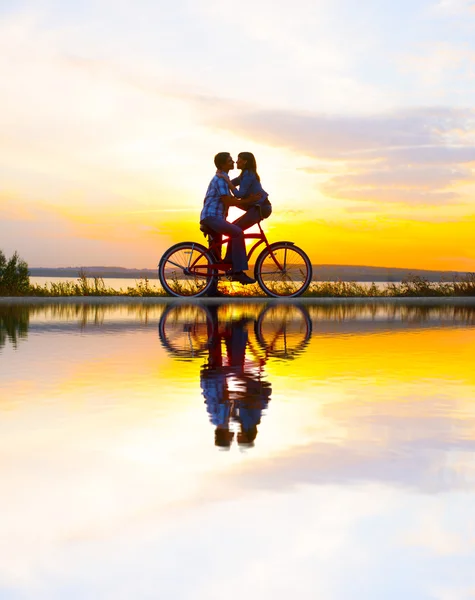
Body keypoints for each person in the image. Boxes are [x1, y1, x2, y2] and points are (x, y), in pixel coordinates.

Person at [200, 152, 258, 285]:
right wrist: (249, 201)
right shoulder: (220, 179)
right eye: (230, 160)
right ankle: (238, 272)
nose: (233, 162)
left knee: (215, 255)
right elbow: (228, 201)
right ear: (222, 164)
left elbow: (231, 197)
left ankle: (212, 289)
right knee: (237, 232)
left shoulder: (224, 178)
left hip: (214, 217)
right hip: (212, 217)